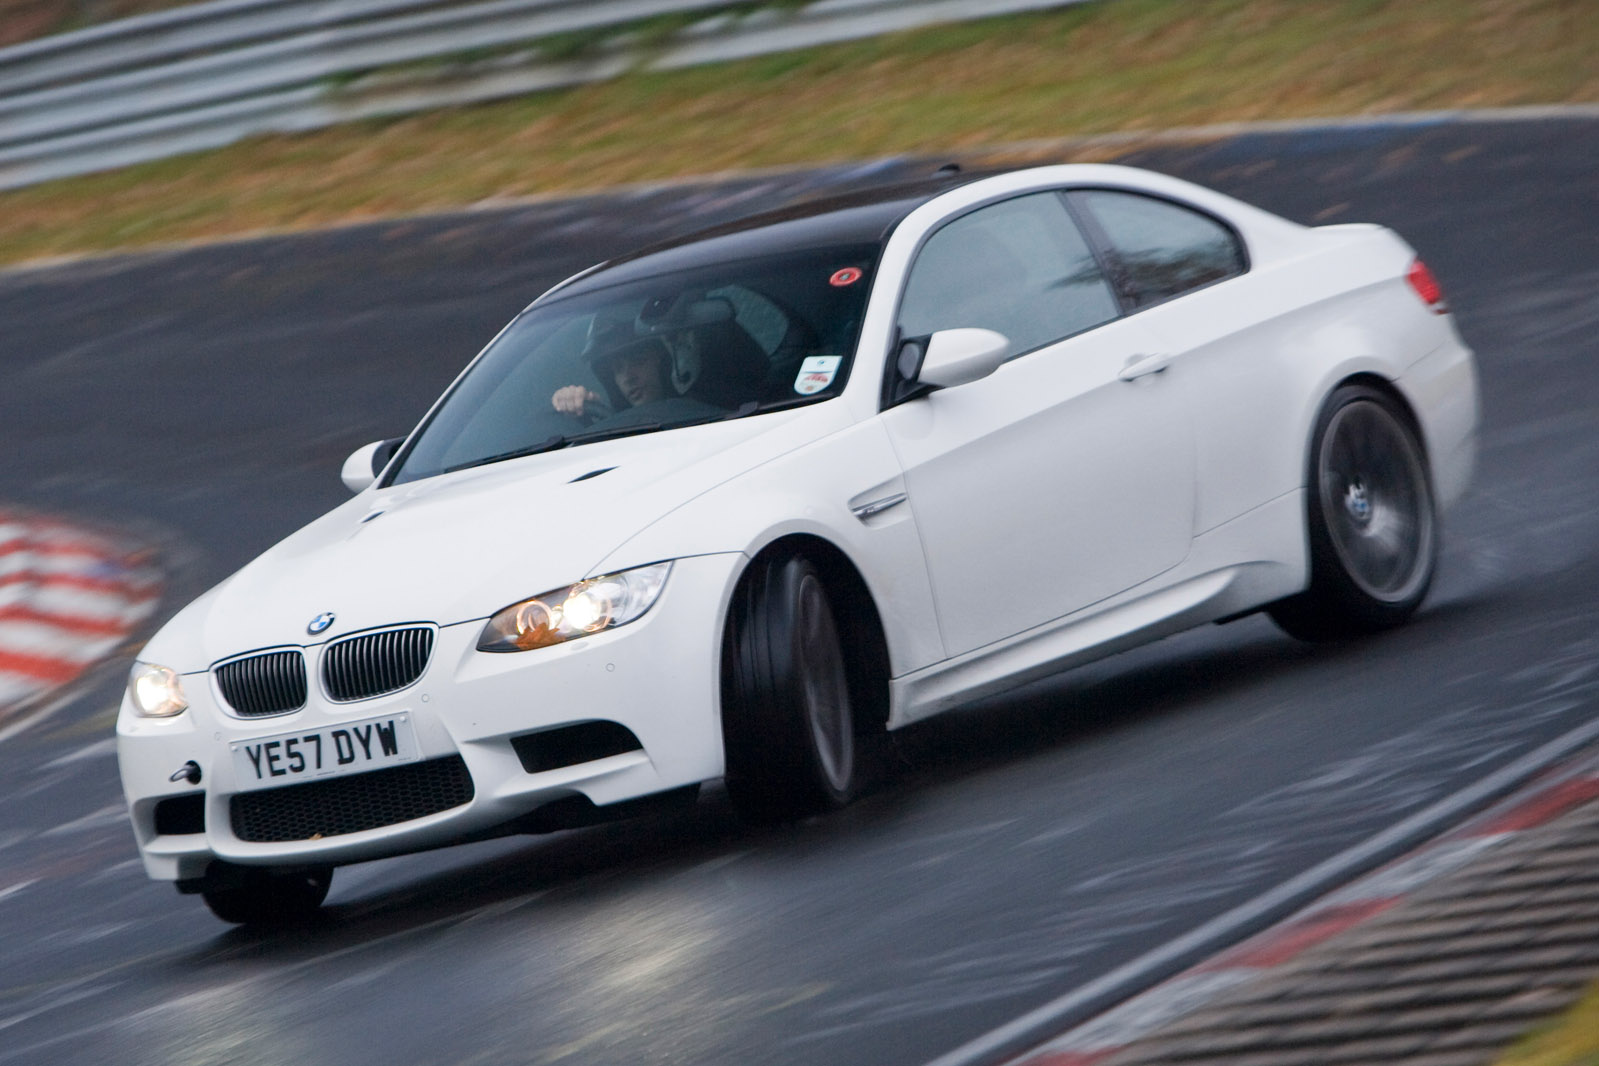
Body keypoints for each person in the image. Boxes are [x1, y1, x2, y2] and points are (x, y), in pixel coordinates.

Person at [551, 335, 674, 420]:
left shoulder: (693, 414)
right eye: (618, 369)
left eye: (638, 361)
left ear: (658, 361)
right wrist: (573, 404)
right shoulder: (616, 432)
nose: (628, 377)